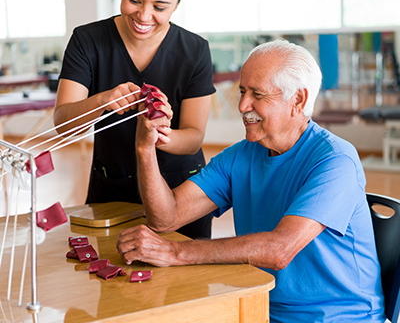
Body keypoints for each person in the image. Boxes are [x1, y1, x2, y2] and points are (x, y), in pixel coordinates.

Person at [116, 39, 386, 322]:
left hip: (338, 317)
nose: (243, 105)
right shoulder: (241, 156)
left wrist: (174, 251)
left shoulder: (335, 160)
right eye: (243, 91)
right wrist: (145, 149)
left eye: (257, 94)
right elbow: (165, 218)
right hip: (260, 307)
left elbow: (278, 250)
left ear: (298, 100)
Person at [54, 0, 216, 239]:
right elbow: (63, 123)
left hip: (179, 190)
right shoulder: (87, 41)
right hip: (112, 186)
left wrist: (161, 134)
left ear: (177, 3)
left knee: (184, 283)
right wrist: (102, 101)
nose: (144, 15)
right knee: (109, 276)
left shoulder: (194, 50)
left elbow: (193, 138)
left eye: (160, 7)